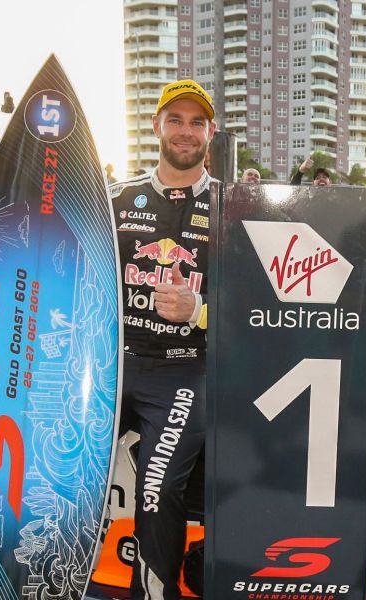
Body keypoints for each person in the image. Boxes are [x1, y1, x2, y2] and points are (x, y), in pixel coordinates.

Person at [110, 78, 214, 600]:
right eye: (175, 119)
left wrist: (200, 310)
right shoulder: (115, 199)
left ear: (211, 133)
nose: (185, 131)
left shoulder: (232, 206)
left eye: (197, 122)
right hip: (113, 364)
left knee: (156, 487)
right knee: (55, 461)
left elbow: (259, 308)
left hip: (185, 370)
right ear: (155, 125)